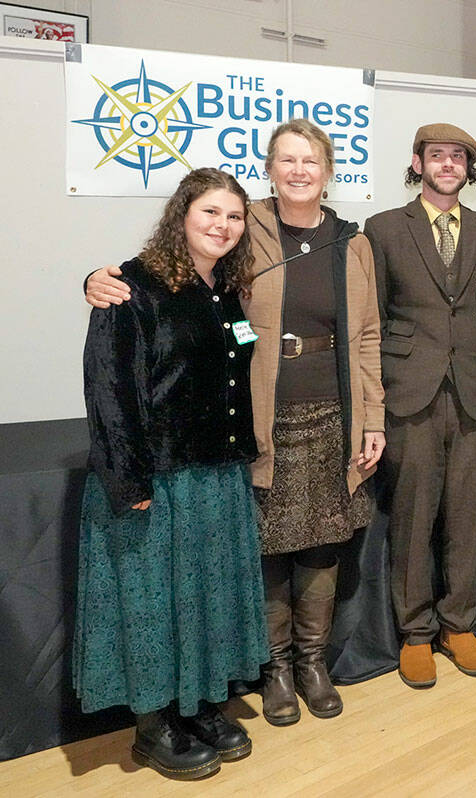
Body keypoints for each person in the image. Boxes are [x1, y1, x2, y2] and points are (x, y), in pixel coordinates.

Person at [85, 118, 386, 727]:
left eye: (312, 161)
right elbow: (165, 276)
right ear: (269, 170)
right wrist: (96, 279)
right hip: (259, 420)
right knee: (266, 548)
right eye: (287, 160)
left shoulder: (352, 240)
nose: (300, 171)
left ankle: (312, 662)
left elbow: (370, 334)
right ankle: (271, 668)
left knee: (325, 544)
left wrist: (374, 414)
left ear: (330, 171)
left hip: (335, 412)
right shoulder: (248, 228)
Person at [76, 167, 265, 780]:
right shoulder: (132, 287)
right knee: (153, 603)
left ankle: (199, 703)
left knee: (205, 597)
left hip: (216, 473)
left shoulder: (226, 288)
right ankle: (154, 726)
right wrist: (128, 481)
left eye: (234, 217)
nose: (223, 226)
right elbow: (109, 389)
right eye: (211, 212)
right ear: (182, 214)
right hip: (157, 479)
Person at [364, 124, 476, 689]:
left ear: (468, 168)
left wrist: (465, 352)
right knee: (414, 513)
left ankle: (459, 624)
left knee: (467, 513)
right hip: (410, 389)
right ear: (418, 162)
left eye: (458, 158)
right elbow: (372, 316)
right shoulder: (382, 229)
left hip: (471, 387)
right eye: (436, 156)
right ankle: (416, 632)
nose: (447, 165)